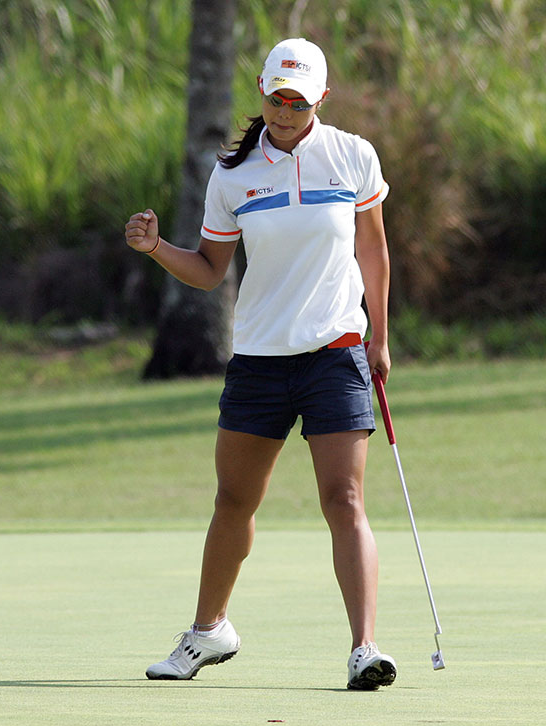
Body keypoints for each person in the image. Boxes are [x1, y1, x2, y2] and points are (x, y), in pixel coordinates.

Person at [125, 38, 396, 691]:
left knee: (346, 498)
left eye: (298, 101)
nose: (284, 110)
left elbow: (374, 255)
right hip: (260, 359)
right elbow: (211, 269)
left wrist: (379, 340)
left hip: (335, 352)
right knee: (234, 500)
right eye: (276, 97)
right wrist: (158, 247)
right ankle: (210, 630)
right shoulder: (234, 173)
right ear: (261, 90)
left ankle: (365, 648)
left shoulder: (352, 156)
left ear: (320, 100)